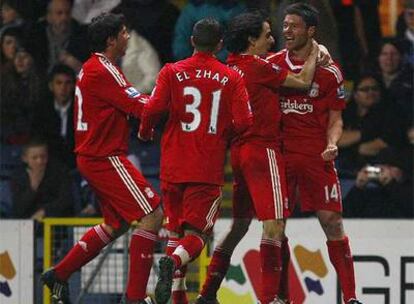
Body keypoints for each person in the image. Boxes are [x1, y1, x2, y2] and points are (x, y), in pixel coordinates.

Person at [197, 10, 320, 304]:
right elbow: (303, 81)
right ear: (252, 40)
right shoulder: (257, 68)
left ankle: (207, 294)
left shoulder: (230, 66)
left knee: (239, 225)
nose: (273, 39)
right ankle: (269, 299)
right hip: (264, 151)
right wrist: (316, 50)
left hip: (239, 155)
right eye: (267, 35)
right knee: (274, 225)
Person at [41, 13, 163, 304]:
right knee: (152, 215)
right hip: (104, 156)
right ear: (111, 40)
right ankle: (134, 299)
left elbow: (131, 104)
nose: (128, 37)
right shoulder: (102, 69)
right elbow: (138, 105)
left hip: (95, 155)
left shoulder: (98, 66)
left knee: (116, 224)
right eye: (123, 32)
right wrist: (170, 98)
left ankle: (59, 273)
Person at [138, 17, 253, 304]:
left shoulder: (171, 72)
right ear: (220, 45)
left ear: (191, 41)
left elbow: (152, 109)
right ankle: (173, 263)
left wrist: (145, 131)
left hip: (172, 166)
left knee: (175, 233)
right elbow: (245, 122)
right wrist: (223, 133)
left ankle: (176, 297)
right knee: (198, 236)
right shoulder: (231, 77)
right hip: (206, 167)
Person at [268, 3, 363, 304]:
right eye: (284, 25)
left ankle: (350, 298)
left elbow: (336, 119)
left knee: (332, 222)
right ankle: (281, 297)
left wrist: (332, 142)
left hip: (315, 157)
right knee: (276, 227)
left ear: (311, 31)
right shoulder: (272, 64)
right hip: (281, 157)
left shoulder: (330, 72)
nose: (286, 31)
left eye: (293, 26)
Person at [10, 138, 74, 220]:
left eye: (43, 157)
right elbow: (18, 209)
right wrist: (33, 187)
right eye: (34, 158)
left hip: (55, 221)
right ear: (25, 158)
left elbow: (66, 200)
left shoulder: (59, 172)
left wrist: (45, 211)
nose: (39, 161)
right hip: (26, 222)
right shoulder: (18, 176)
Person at [33, 64, 77, 169]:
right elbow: (38, 138)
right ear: (51, 86)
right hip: (49, 165)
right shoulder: (41, 110)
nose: (63, 88)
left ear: (74, 86)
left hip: (77, 164)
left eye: (68, 83)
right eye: (59, 83)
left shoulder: (83, 109)